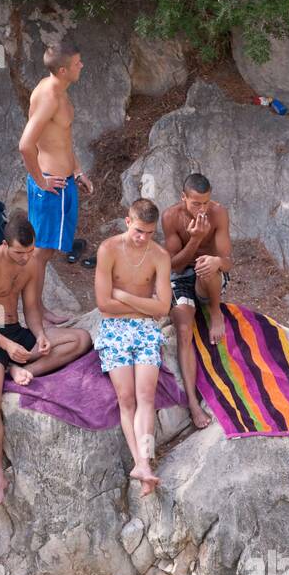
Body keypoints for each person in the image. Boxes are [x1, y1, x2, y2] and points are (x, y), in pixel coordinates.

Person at [0, 212, 91, 505]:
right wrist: (5, 346)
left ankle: (20, 367)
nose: (25, 258)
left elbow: (32, 308)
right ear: (5, 245)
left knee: (80, 339)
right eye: (20, 253)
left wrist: (41, 335)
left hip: (14, 331)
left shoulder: (31, 262)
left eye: (30, 252)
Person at [94, 198, 173, 495]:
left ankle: (145, 464)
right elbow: (103, 305)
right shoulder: (108, 249)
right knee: (126, 398)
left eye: (150, 233)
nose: (143, 238)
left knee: (146, 396)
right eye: (138, 230)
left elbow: (163, 307)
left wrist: (124, 297)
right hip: (114, 330)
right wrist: (145, 305)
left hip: (146, 331)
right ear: (127, 222)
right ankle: (141, 463)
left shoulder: (160, 257)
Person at [18, 38, 94, 324]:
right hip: (50, 183)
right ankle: (34, 313)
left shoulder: (60, 89)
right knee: (40, 252)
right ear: (63, 70)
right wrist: (40, 182)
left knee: (46, 250)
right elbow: (26, 145)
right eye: (76, 63)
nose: (81, 65)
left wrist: (77, 170)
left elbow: (62, 139)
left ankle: (38, 308)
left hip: (63, 180)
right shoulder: (49, 96)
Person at [162, 172, 233, 429]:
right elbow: (173, 265)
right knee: (184, 328)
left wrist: (216, 260)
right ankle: (192, 403)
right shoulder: (171, 217)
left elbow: (227, 261)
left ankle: (215, 312)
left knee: (209, 266)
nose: (202, 209)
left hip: (208, 279)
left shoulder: (219, 213)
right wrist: (194, 239)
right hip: (180, 277)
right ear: (183, 198)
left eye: (205, 202)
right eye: (195, 203)